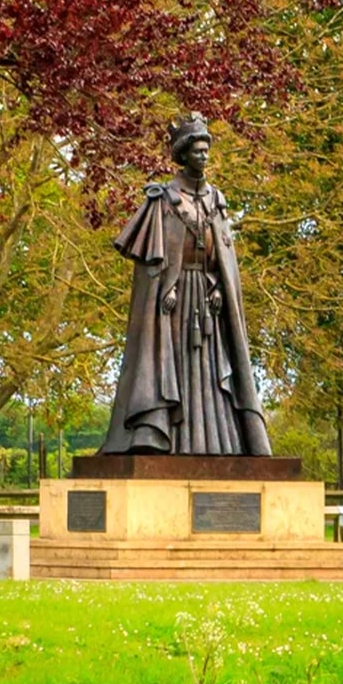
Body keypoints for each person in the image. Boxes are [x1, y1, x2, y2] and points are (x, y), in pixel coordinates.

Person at [100, 113, 272, 456]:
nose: (204, 156)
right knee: (174, 365)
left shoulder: (215, 201)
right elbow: (155, 259)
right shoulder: (163, 199)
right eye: (197, 150)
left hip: (209, 300)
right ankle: (163, 437)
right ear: (183, 154)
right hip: (173, 302)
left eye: (207, 150)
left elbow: (221, 257)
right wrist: (168, 286)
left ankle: (219, 443)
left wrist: (218, 286)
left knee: (210, 369)